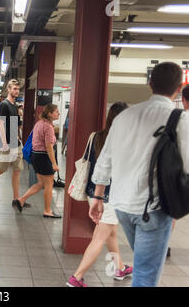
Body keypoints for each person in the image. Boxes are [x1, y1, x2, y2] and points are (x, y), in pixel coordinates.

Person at [89, 62, 189, 287]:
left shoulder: (124, 117)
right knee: (145, 274)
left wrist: (97, 197)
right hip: (153, 209)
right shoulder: (181, 120)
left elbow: (105, 160)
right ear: (179, 87)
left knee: (143, 261)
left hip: (122, 205)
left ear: (150, 83)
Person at [66, 102, 132, 288]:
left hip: (93, 194)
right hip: (110, 197)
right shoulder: (125, 141)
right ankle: (77, 278)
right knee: (99, 237)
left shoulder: (96, 136)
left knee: (111, 232)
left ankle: (119, 268)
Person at [14, 104, 61, 216]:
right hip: (44, 157)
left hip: (36, 156)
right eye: (56, 111)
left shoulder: (39, 123)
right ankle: (47, 211)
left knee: (41, 183)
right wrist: (54, 163)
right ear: (50, 114)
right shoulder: (48, 127)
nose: (58, 113)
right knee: (49, 184)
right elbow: (49, 147)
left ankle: (21, 200)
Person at [167, 85, 189, 257]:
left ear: (183, 100)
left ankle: (164, 243)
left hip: (178, 177)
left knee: (171, 213)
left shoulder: (177, 119)